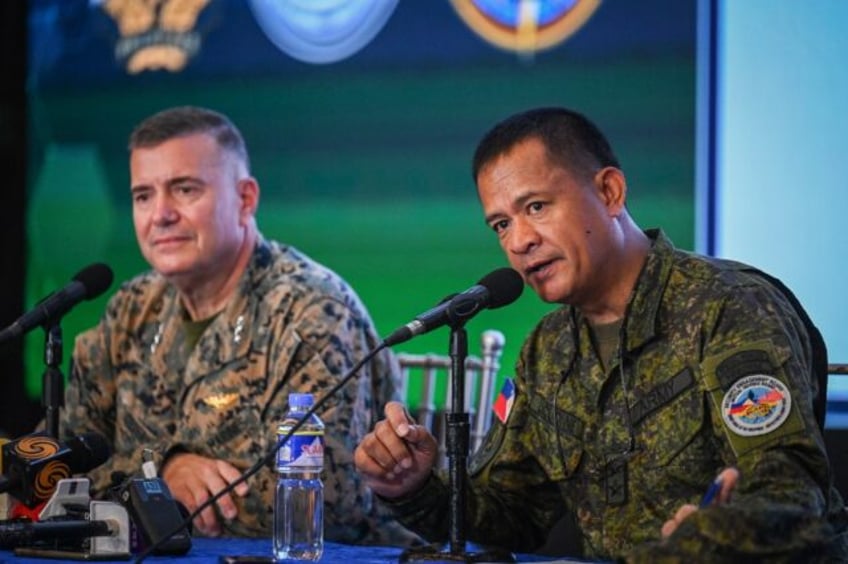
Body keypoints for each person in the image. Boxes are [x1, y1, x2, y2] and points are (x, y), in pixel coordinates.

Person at [354, 107, 848, 561]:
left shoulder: (729, 307)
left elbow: (789, 494)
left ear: (610, 192)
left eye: (537, 207)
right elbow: (511, 516)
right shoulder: (546, 351)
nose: (520, 241)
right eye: (501, 224)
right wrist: (414, 486)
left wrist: (715, 536)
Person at [59, 105, 421, 546]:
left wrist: (142, 491)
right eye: (143, 196)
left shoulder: (312, 311)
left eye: (184, 189)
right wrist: (163, 470)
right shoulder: (130, 309)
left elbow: (318, 507)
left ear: (245, 199)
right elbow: (67, 475)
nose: (160, 214)